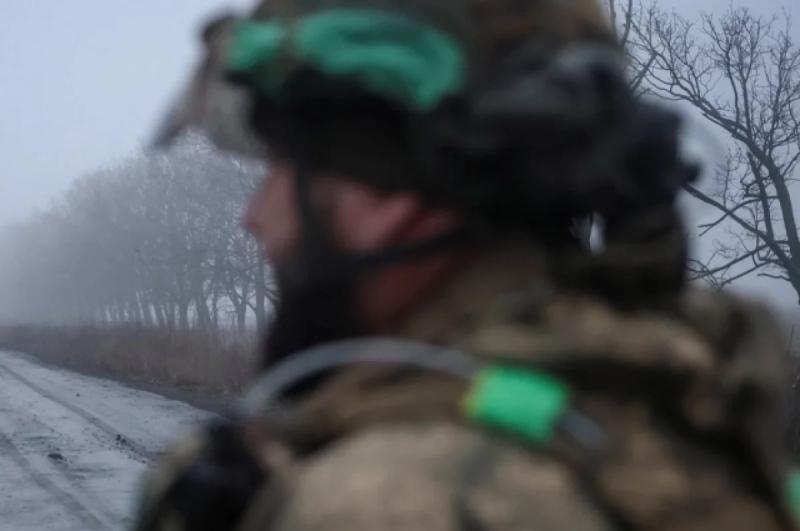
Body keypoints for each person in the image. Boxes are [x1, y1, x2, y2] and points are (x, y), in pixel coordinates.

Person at [134, 0, 800, 529]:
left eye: (282, 166)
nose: (256, 215)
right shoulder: (684, 388)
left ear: (388, 195)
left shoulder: (389, 500)